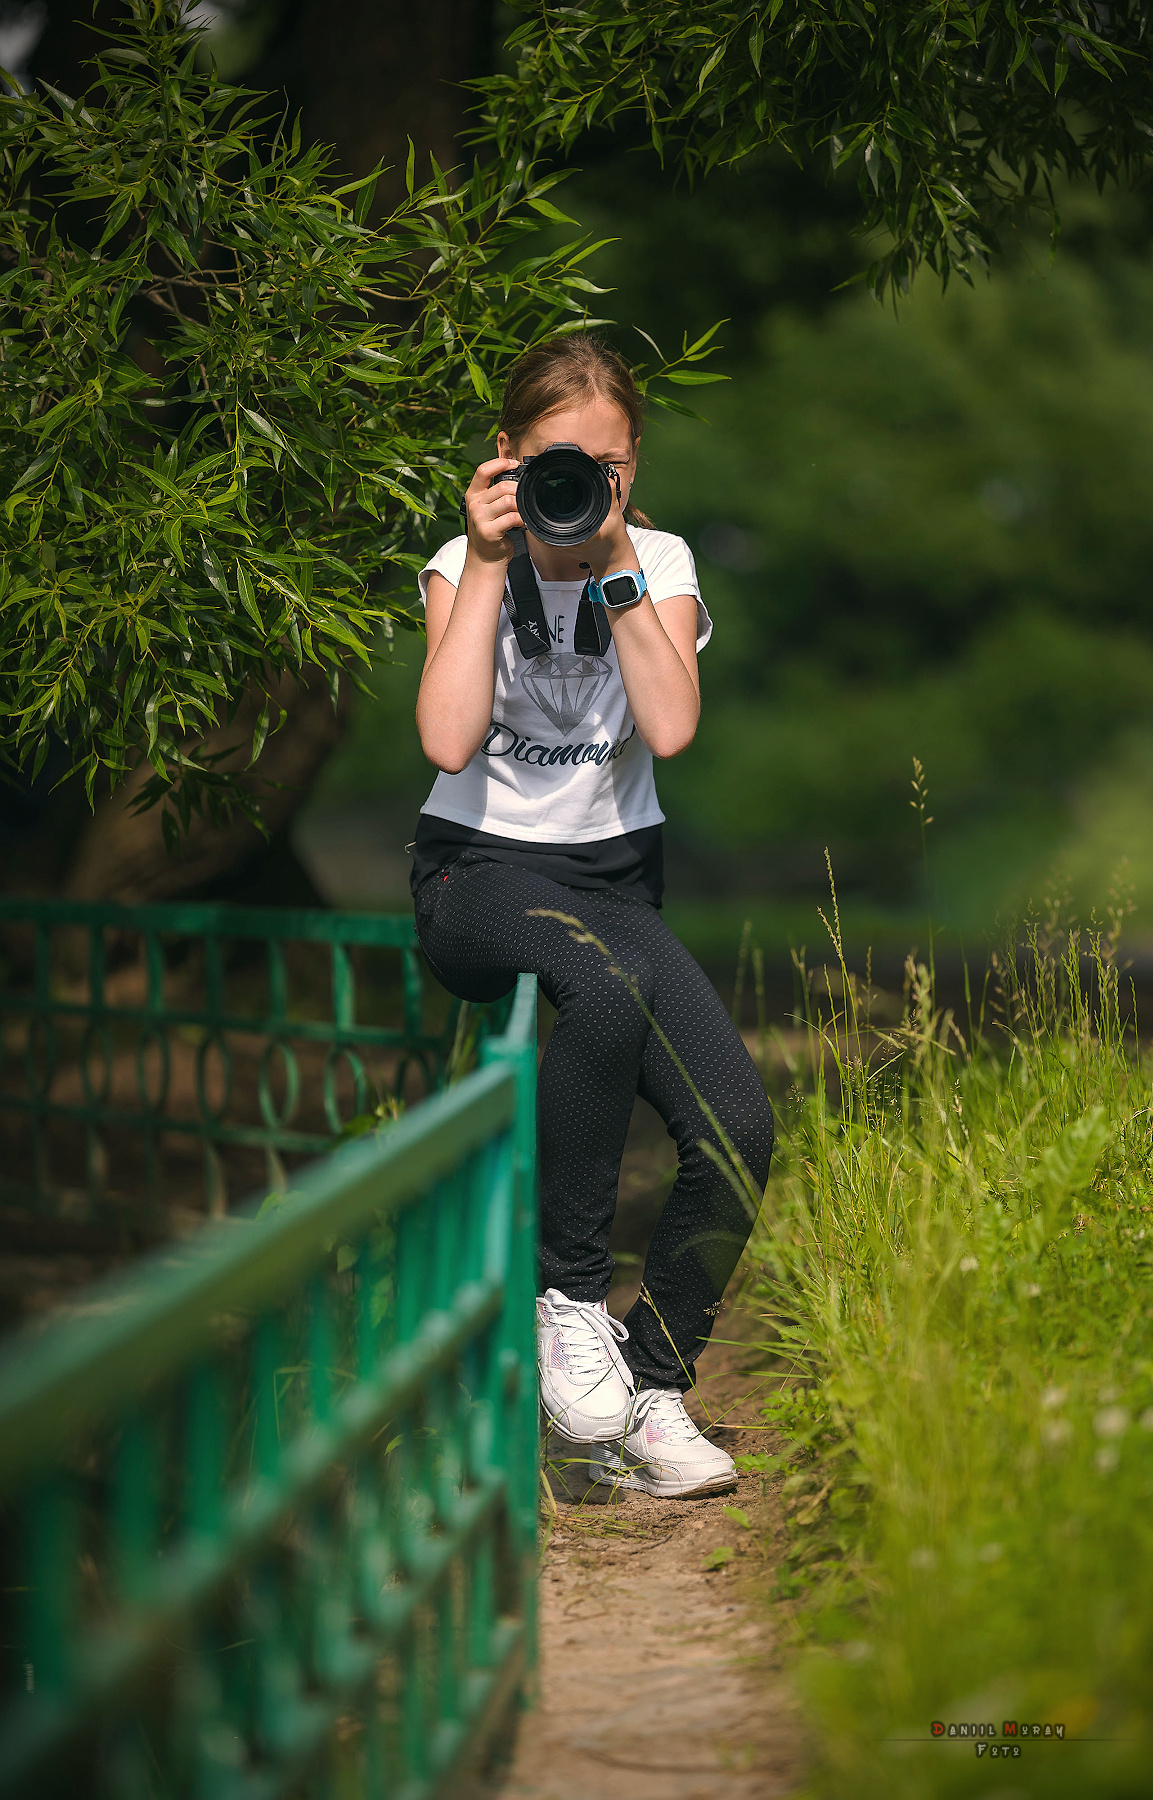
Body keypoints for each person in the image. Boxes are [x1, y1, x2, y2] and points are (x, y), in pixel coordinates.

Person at [410, 335, 774, 1498]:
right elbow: (448, 742)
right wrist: (480, 557)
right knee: (600, 991)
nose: (581, 487)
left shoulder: (657, 561)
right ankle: (565, 1302)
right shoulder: (458, 564)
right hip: (479, 875)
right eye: (557, 464)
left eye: (606, 469)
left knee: (738, 1133)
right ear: (507, 458)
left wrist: (611, 557)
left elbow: (669, 728)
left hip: (611, 883)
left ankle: (652, 1391)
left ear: (632, 473)